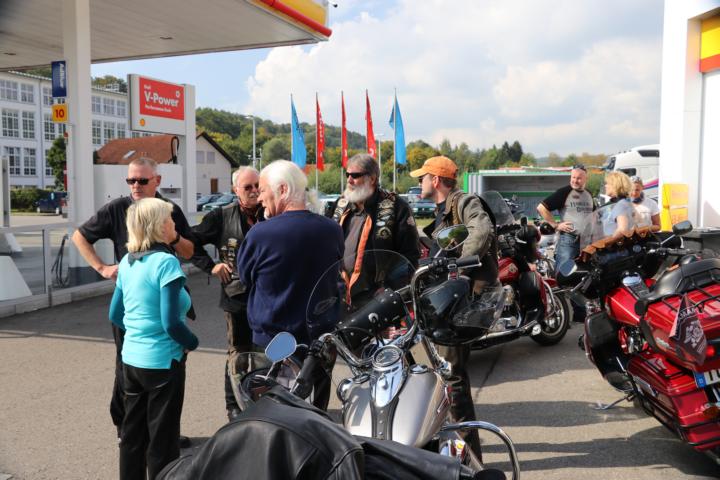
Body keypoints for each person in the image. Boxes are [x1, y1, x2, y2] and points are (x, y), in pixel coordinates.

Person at [71, 157, 195, 446]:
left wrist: (174, 237)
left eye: (142, 180)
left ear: (157, 181)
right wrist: (102, 268)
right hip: (134, 302)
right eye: (130, 180)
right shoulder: (117, 208)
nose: (135, 185)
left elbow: (190, 251)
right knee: (127, 366)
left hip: (165, 297)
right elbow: (79, 236)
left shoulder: (170, 210)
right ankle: (126, 428)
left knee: (167, 366)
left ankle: (163, 432)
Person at [409, 155, 498, 457]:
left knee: (452, 379)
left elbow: (481, 230)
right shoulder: (440, 213)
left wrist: (457, 266)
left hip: (460, 302)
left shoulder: (464, 201)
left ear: (435, 180)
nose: (419, 182)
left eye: (422, 177)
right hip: (442, 301)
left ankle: (470, 459)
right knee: (441, 377)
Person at [109, 197, 199, 480]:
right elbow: (171, 322)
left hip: (131, 361)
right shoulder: (166, 263)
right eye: (170, 219)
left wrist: (139, 332)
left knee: (133, 436)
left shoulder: (126, 262)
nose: (174, 224)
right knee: (163, 441)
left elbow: (115, 314)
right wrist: (192, 342)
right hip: (163, 361)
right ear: (159, 226)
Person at [237, 160, 344, 349]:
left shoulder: (260, 234)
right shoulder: (333, 230)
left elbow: (246, 278)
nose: (259, 198)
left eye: (262, 190)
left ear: (283, 189)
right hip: (321, 341)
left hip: (274, 343)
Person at [191, 167, 263, 421]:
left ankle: (264, 403)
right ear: (235, 190)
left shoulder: (271, 211)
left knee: (265, 352)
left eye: (257, 185)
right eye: (248, 187)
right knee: (238, 354)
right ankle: (234, 406)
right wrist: (211, 266)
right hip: (236, 296)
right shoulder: (220, 216)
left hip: (266, 297)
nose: (254, 191)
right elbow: (191, 240)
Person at [329, 153, 420, 295]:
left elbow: (410, 255)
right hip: (339, 292)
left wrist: (391, 287)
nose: (349, 180)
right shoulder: (340, 204)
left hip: (377, 296)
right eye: (347, 175)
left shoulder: (396, 207)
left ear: (372, 178)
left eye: (355, 175)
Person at [537, 164, 595, 269]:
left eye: (579, 178)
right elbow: (541, 208)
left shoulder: (588, 194)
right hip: (569, 240)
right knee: (564, 272)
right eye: (573, 177)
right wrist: (556, 225)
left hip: (587, 242)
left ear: (586, 178)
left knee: (586, 273)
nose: (575, 181)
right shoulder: (564, 192)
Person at [600, 171, 637, 238]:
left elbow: (622, 229)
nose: (605, 186)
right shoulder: (624, 202)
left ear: (615, 185)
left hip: (615, 243)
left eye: (607, 183)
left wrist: (607, 242)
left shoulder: (620, 205)